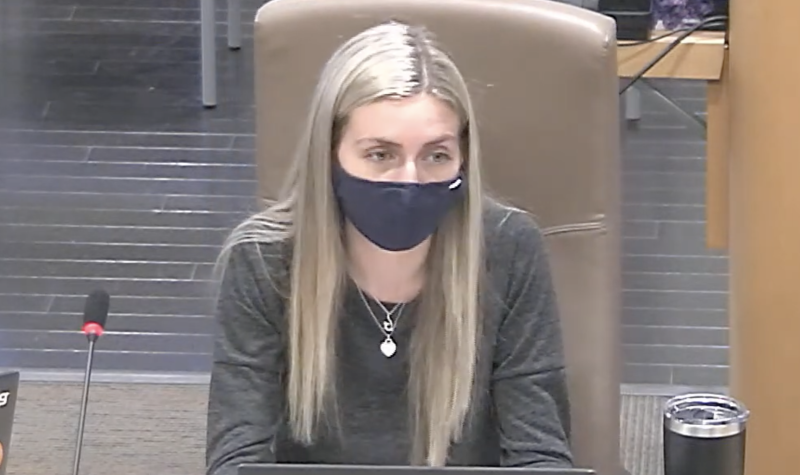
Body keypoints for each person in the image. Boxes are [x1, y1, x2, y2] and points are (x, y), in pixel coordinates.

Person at [205, 20, 573, 475]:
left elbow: (541, 456)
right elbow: (235, 460)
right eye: (381, 155)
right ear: (329, 155)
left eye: (436, 156)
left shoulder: (510, 248)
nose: (410, 181)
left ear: (463, 159)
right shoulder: (263, 262)